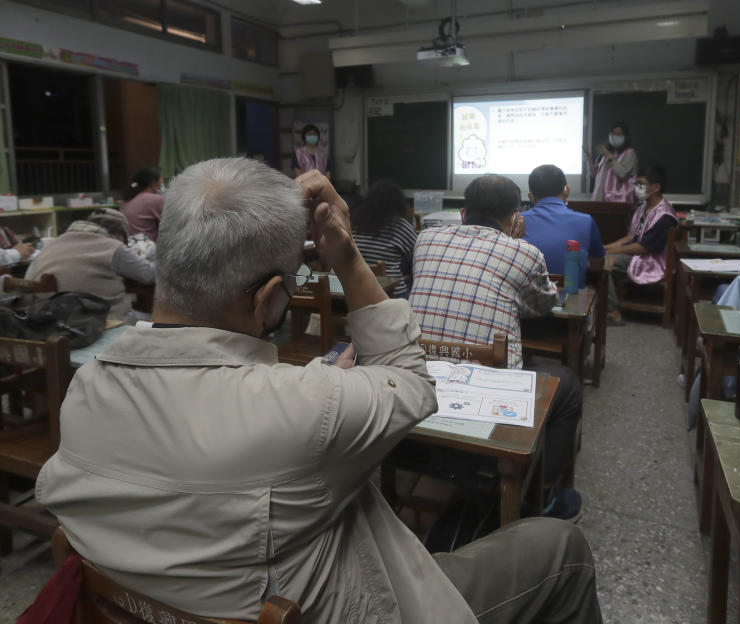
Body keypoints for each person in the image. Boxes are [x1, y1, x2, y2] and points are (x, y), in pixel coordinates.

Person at [35, 159, 601, 623]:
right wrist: (345, 251)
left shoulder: (86, 388)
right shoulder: (307, 405)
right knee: (560, 549)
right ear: (268, 301)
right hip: (345, 605)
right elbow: (412, 383)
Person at [410, 174, 585, 519]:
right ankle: (546, 495)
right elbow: (544, 304)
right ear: (516, 217)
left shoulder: (425, 239)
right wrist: (514, 245)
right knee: (568, 384)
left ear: (462, 213)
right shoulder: (524, 252)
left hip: (415, 384)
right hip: (483, 403)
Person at [25, 208, 154, 319]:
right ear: (119, 234)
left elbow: (28, 279)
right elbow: (149, 275)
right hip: (100, 323)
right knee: (155, 319)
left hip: (47, 322)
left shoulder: (51, 244)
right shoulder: (112, 246)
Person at [604, 165, 678, 325]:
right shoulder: (642, 208)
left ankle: (613, 312)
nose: (636, 188)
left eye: (641, 184)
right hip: (639, 256)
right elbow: (630, 237)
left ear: (656, 187)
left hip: (652, 262)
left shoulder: (665, 215)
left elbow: (643, 247)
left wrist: (610, 252)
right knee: (602, 256)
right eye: (636, 184)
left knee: (604, 263)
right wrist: (606, 247)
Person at [522, 164, 605, 288]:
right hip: (571, 300)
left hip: (527, 300)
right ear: (567, 190)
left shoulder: (517, 221)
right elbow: (598, 264)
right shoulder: (586, 221)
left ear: (531, 197)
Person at [351, 179, 418, 298]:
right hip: (392, 296)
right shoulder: (400, 226)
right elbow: (417, 259)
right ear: (398, 204)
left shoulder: (356, 225)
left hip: (359, 293)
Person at [587, 122, 638, 203]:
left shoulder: (629, 153)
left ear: (625, 137)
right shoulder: (605, 154)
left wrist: (609, 156)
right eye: (613, 134)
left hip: (618, 201)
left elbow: (623, 174)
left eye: (618, 134)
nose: (615, 136)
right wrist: (588, 157)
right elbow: (595, 175)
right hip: (599, 200)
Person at [119, 166, 165, 242]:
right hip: (148, 249)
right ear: (153, 182)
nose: (162, 182)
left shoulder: (127, 199)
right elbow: (171, 225)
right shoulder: (156, 199)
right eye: (161, 178)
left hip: (129, 247)